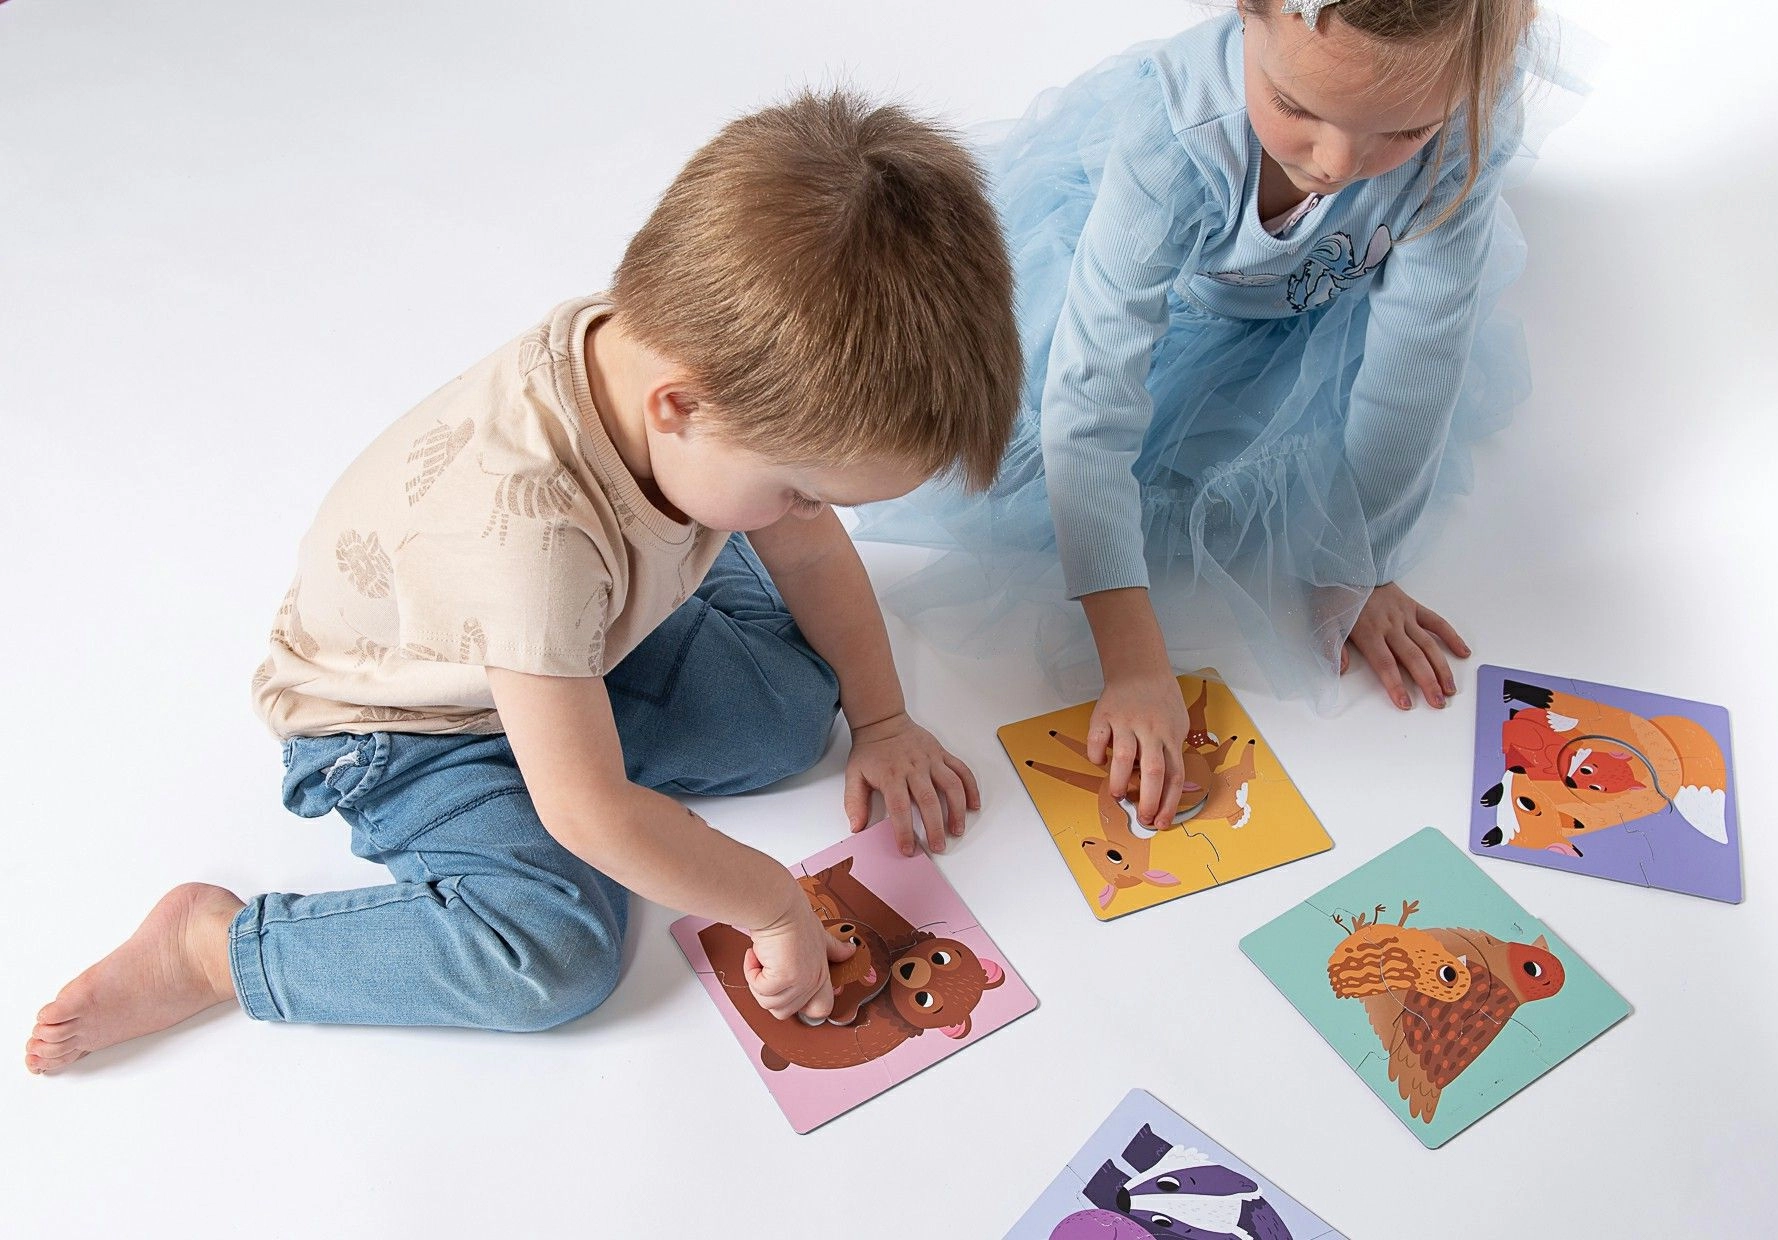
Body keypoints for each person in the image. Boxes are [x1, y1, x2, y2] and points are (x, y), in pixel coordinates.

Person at [24, 90, 1020, 1074]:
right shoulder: (531, 539)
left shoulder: (672, 352)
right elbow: (586, 814)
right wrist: (770, 902)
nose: (813, 516)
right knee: (555, 954)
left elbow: (809, 551)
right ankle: (218, 953)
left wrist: (883, 718)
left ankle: (631, 688)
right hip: (408, 728)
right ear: (679, 409)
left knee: (799, 713)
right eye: (804, 491)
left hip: (579, 635)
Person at [857, 0, 1576, 826]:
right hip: (1186, 286)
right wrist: (1133, 660)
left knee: (1394, 366)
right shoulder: (1173, 144)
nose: (1336, 164)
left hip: (1323, 303)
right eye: (1297, 108)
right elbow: (1093, 399)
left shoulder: (1464, 123)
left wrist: (1362, 562)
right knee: (1048, 435)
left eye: (1402, 130)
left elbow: (1417, 362)